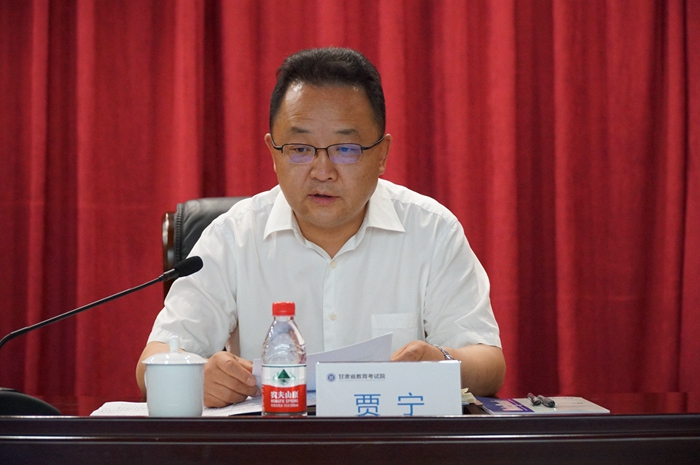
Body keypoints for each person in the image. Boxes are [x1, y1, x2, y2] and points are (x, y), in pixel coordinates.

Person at [136, 47, 505, 407]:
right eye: (300, 148)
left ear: (381, 155)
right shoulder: (232, 237)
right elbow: (151, 362)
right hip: (272, 440)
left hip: (390, 439)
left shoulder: (432, 230)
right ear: (274, 153)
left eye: (346, 149)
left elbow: (488, 364)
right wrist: (198, 377)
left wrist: (441, 361)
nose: (322, 171)